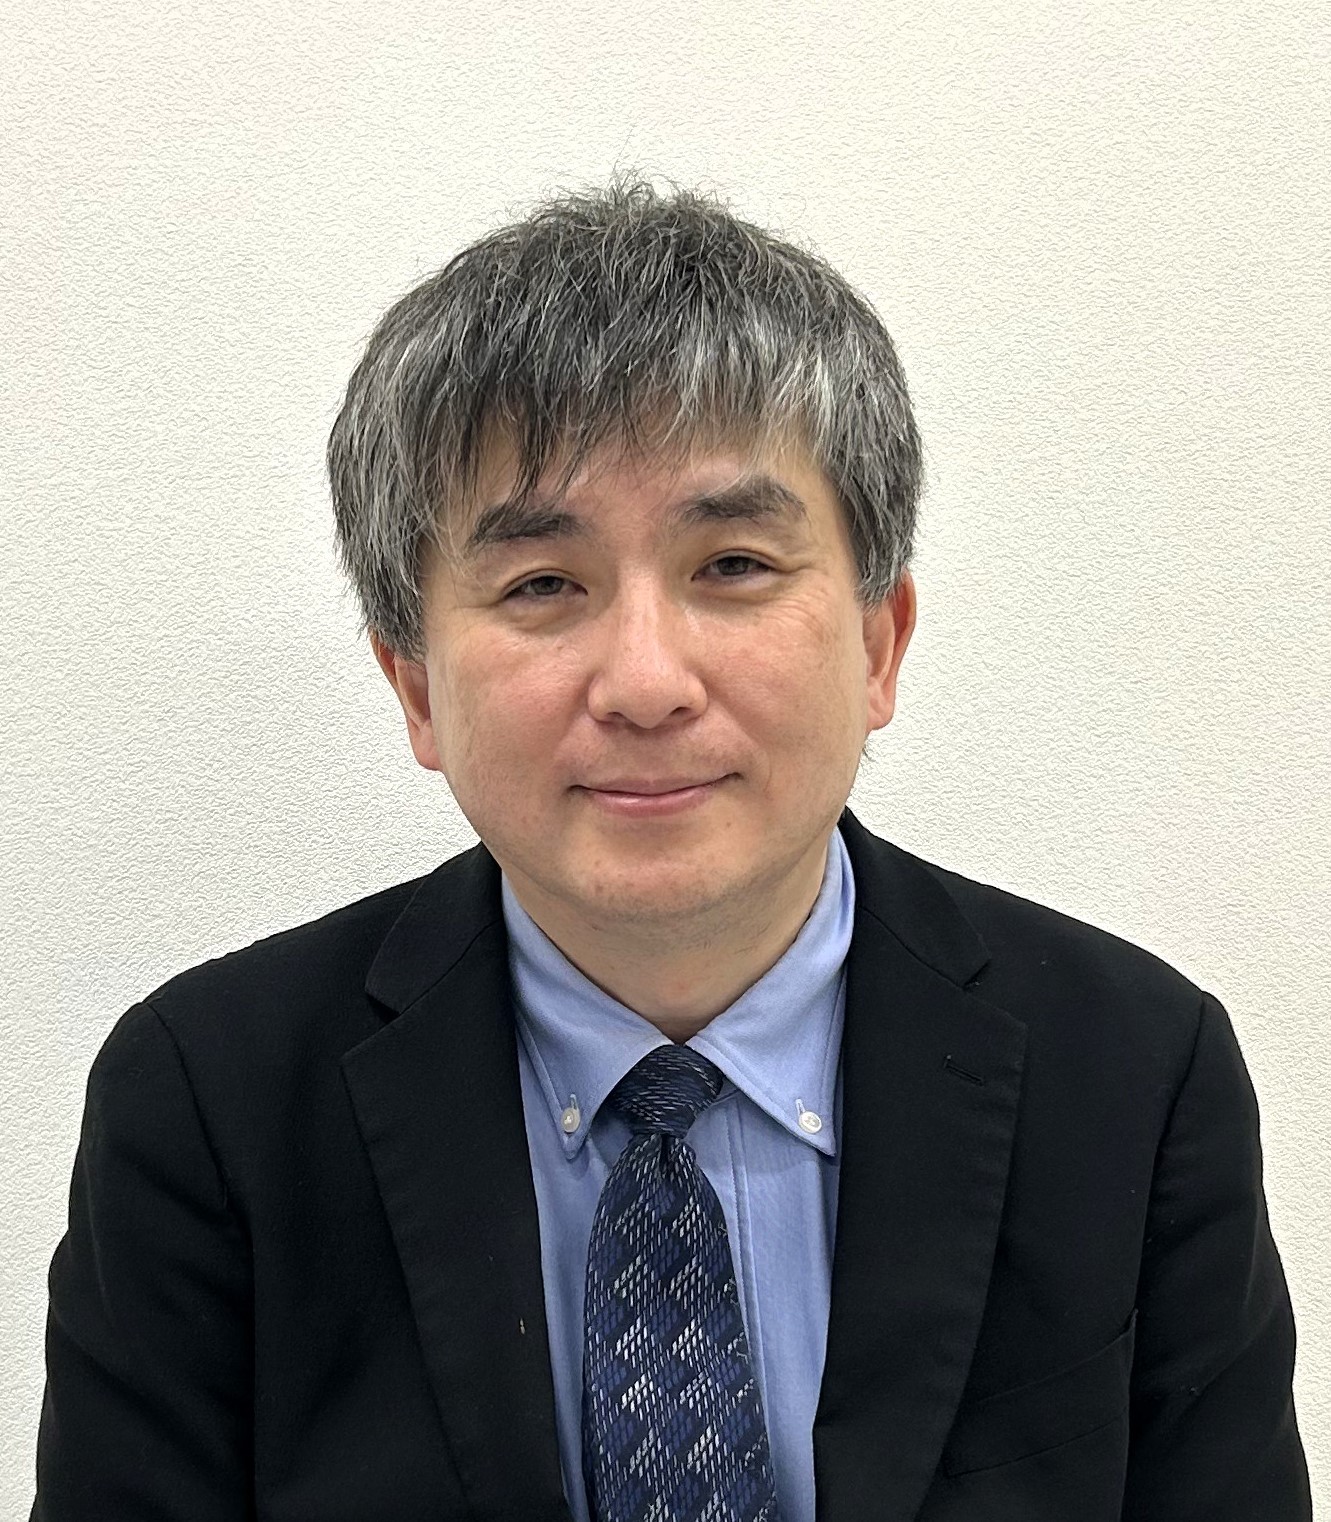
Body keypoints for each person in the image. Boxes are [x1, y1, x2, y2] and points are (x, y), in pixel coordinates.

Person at [31, 177, 1311, 1522]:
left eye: (733, 566)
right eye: (543, 585)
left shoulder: (1133, 1075)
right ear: (415, 688)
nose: (646, 682)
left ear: (879, 643)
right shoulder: (212, 1108)